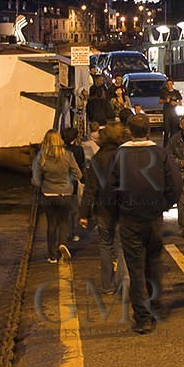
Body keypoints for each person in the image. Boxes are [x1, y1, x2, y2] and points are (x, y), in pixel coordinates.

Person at [107, 114, 177, 334]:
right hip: (153, 218)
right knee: (153, 263)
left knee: (135, 269)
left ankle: (143, 318)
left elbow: (109, 188)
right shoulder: (161, 153)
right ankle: (156, 306)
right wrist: (163, 205)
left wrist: (114, 214)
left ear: (129, 131)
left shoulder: (119, 155)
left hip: (129, 219)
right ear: (148, 131)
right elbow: (175, 185)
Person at [83, 121, 127, 292]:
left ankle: (107, 284)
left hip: (103, 208)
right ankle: (122, 282)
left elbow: (90, 188)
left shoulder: (97, 159)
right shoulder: (124, 156)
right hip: (123, 207)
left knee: (105, 245)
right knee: (122, 245)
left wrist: (84, 213)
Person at [31, 130, 83, 264]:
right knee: (64, 222)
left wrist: (44, 182)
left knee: (52, 224)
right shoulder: (68, 155)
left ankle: (52, 255)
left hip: (49, 194)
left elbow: (36, 181)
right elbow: (78, 175)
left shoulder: (41, 157)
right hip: (66, 193)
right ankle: (62, 244)